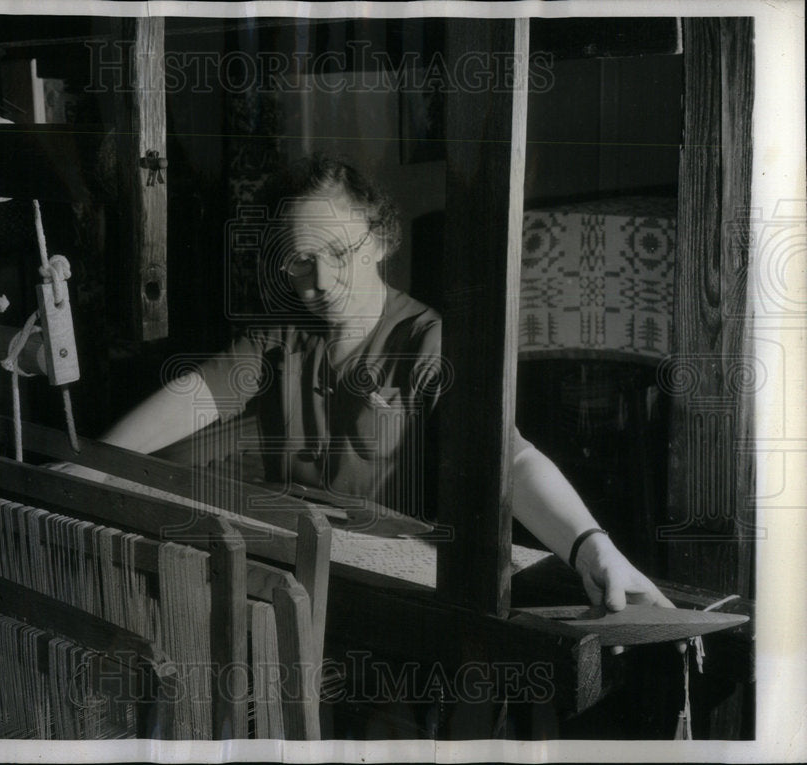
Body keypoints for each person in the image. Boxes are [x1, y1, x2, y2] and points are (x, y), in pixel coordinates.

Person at [76, 155, 672, 615]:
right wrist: (91, 466)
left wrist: (592, 544)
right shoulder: (278, 336)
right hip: (292, 565)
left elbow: (509, 458)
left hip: (387, 583)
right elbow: (196, 396)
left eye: (339, 252)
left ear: (382, 239)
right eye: (298, 260)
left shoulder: (427, 340)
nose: (320, 280)